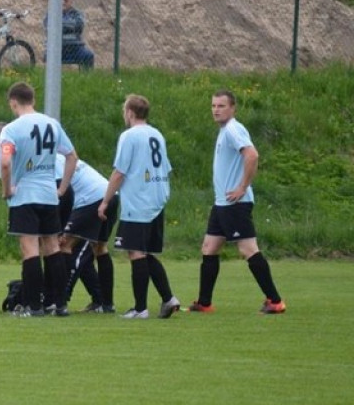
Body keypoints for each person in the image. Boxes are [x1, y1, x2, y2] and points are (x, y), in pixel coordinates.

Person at [190, 89, 286, 314]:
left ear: (233, 108)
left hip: (235, 203)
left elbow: (252, 155)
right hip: (222, 203)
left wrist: (242, 187)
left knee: (247, 249)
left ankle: (275, 301)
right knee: (209, 247)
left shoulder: (233, 128)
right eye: (213, 106)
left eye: (221, 106)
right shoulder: (225, 131)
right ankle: (204, 303)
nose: (216, 110)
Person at [0, 82, 77, 317]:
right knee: (52, 247)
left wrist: (6, 189)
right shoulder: (52, 124)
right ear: (32, 99)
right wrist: (61, 188)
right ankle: (59, 304)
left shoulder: (11, 129)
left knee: (30, 249)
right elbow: (72, 157)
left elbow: (4, 162)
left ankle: (34, 306)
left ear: (13, 102)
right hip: (48, 195)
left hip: (25, 195)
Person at [98, 94, 180, 319]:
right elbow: (166, 168)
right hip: (157, 197)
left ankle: (140, 308)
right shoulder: (157, 134)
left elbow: (119, 172)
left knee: (135, 252)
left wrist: (105, 201)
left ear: (130, 113)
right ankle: (168, 298)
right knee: (145, 251)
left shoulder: (129, 136)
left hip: (139, 200)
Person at [58, 154, 118, 313]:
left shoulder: (50, 160)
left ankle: (59, 301)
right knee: (99, 249)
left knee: (66, 245)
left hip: (92, 199)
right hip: (110, 195)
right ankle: (105, 303)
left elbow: (61, 194)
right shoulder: (62, 157)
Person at [43, 0, 94, 70]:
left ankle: (86, 78)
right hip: (57, 49)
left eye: (66, 1)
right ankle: (52, 80)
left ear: (71, 3)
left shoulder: (77, 14)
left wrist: (59, 24)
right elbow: (49, 26)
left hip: (75, 49)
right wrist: (70, 25)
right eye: (61, 1)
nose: (63, 3)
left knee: (88, 55)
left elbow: (79, 25)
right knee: (49, 56)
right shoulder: (52, 13)